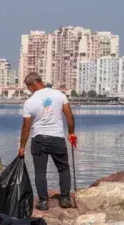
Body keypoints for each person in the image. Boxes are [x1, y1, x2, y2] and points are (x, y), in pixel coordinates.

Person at [18, 72, 78, 211]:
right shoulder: (59, 95)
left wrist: (22, 147)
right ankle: (64, 199)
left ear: (31, 84)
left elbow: (26, 127)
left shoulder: (29, 102)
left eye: (28, 87)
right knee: (63, 168)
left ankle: (44, 202)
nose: (29, 90)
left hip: (39, 139)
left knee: (40, 171)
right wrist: (71, 133)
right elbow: (69, 116)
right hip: (57, 138)